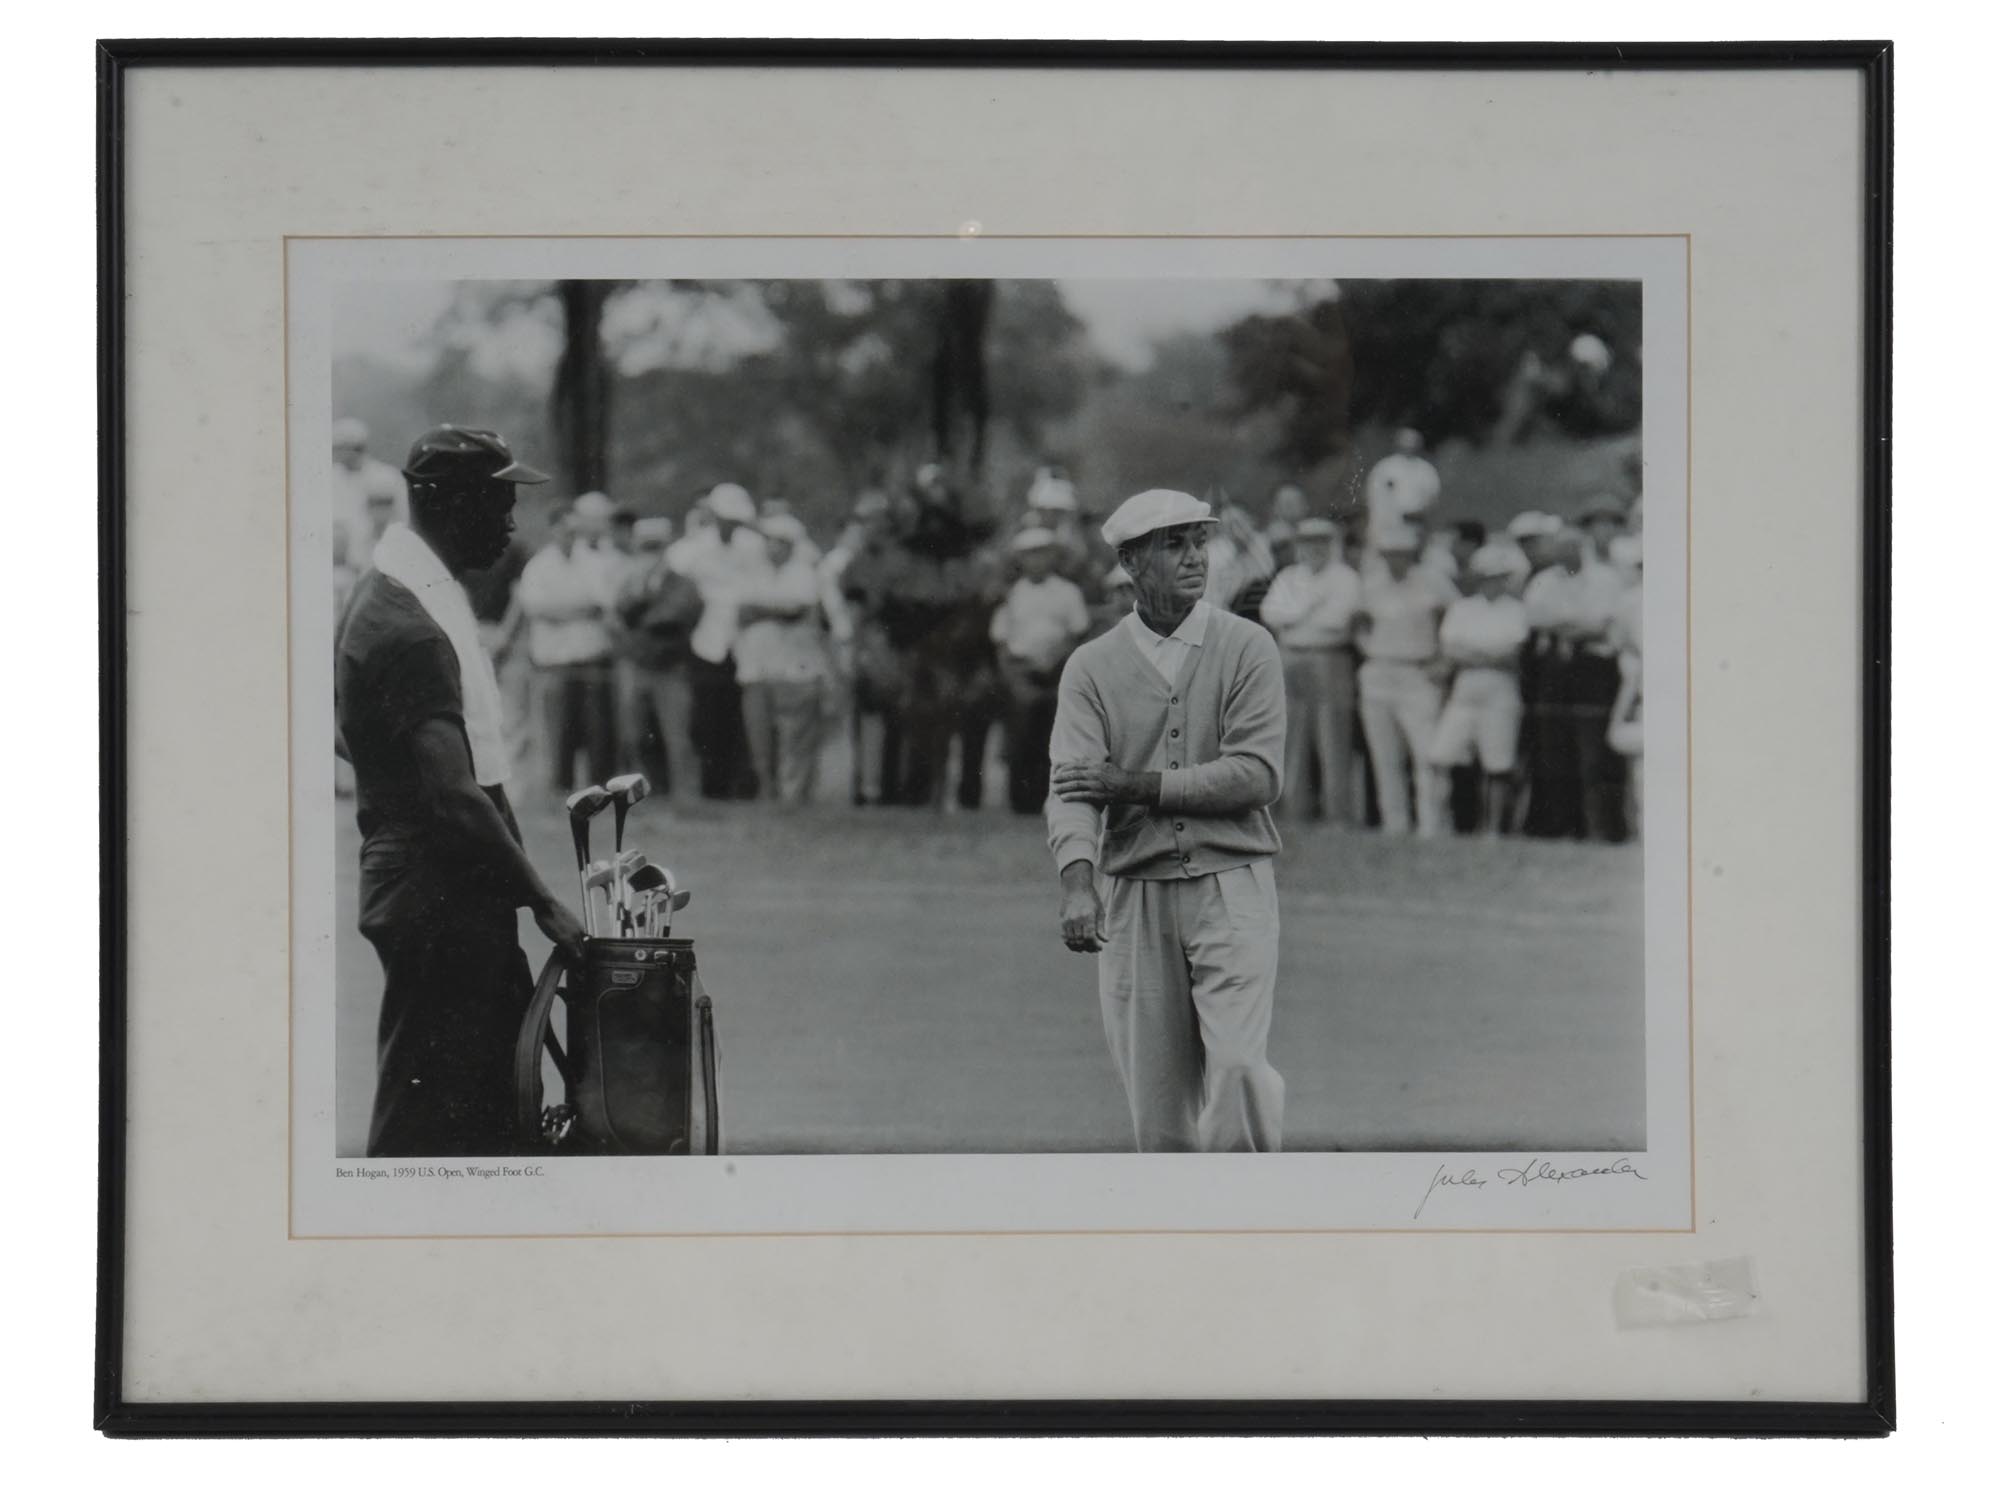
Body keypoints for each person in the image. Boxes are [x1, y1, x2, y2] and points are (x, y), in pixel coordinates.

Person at [334, 425, 586, 1158]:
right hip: (434, 888)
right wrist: (543, 900)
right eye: (497, 503)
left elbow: (350, 729)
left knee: (483, 1101)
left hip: (447, 880)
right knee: (424, 1111)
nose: (511, 524)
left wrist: (390, 784)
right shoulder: (407, 621)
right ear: (446, 504)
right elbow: (453, 794)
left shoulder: (405, 590)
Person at [1048, 488, 1287, 1153]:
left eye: (1200, 542)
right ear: (1130, 562)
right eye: (1172, 544)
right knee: (1159, 1117)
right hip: (1136, 893)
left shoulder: (1247, 647)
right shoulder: (1092, 667)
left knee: (1240, 1071)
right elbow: (1070, 785)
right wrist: (1076, 878)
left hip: (1232, 882)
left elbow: (1259, 774)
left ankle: (1253, 1229)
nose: (1194, 559)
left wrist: (1137, 784)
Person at [1259, 516, 1363, 824]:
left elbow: (1338, 621)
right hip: (1290, 655)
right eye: (1307, 542)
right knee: (1292, 735)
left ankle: (1337, 816)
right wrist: (1309, 609)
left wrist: (1297, 615)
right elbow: (1271, 613)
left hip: (1329, 657)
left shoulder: (1345, 577)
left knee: (1332, 736)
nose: (1313, 548)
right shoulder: (1290, 576)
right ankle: (1295, 813)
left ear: (1331, 544)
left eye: (1320, 541)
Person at [1354, 521, 1455, 836]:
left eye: (1402, 553)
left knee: (1428, 754)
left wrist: (1443, 660)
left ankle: (1433, 827)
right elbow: (1358, 623)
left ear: (1414, 553)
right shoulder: (1371, 584)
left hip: (1418, 672)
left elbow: (1455, 620)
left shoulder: (1434, 582)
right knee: (1385, 756)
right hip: (1379, 672)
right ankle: (1394, 826)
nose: (1396, 559)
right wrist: (1370, 648)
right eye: (1389, 553)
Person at [1429, 545, 1533, 834]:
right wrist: (1486, 655)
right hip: (1465, 688)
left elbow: (1511, 654)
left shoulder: (1515, 610)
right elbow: (1450, 650)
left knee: (1498, 763)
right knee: (1441, 755)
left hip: (1500, 690)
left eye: (1499, 577)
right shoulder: (1462, 608)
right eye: (1488, 576)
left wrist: (1472, 653)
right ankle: (1438, 825)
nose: (1494, 582)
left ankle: (1493, 830)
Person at [516, 506, 619, 797]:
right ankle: (561, 792)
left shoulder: (595, 563)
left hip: (592, 658)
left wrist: (564, 609)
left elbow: (601, 603)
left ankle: (602, 792)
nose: (571, 537)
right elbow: (538, 608)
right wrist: (578, 608)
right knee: (560, 732)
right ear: (554, 530)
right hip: (556, 662)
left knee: (598, 732)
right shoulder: (539, 566)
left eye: (576, 531)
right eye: (566, 530)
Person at [674, 482, 767, 799]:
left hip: (747, 642)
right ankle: (713, 788)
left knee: (745, 718)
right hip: (706, 641)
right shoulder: (691, 549)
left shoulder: (755, 546)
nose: (731, 525)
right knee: (708, 716)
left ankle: (745, 786)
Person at [992, 527, 1091, 814]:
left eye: (1043, 554)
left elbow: (1077, 634)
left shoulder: (1068, 592)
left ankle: (1053, 798)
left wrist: (1056, 663)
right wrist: (1013, 676)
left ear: (1053, 557)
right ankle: (1020, 801)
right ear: (1021, 559)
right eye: (1030, 555)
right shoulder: (1013, 594)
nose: (1037, 561)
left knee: (1055, 732)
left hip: (1058, 671)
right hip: (1021, 672)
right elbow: (1001, 639)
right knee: (1020, 731)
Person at [736, 513, 831, 806]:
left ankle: (794, 798)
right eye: (769, 541)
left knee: (795, 738)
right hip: (756, 667)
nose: (773, 547)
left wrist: (762, 610)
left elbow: (794, 608)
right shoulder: (752, 571)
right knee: (760, 738)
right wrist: (769, 610)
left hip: (795, 669)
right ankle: (767, 792)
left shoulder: (804, 572)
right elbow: (742, 610)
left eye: (780, 542)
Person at [613, 516, 705, 804]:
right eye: (645, 546)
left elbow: (676, 615)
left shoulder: (683, 582)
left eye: (655, 546)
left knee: (677, 736)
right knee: (636, 735)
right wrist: (644, 595)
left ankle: (686, 797)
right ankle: (644, 796)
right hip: (637, 667)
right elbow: (619, 612)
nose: (650, 552)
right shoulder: (631, 580)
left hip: (671, 669)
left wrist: (643, 614)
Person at [331, 417, 410, 584]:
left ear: (357, 448)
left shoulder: (386, 476)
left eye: (341, 448)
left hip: (381, 557)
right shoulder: (330, 479)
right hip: (341, 564)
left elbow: (403, 517)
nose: (336, 454)